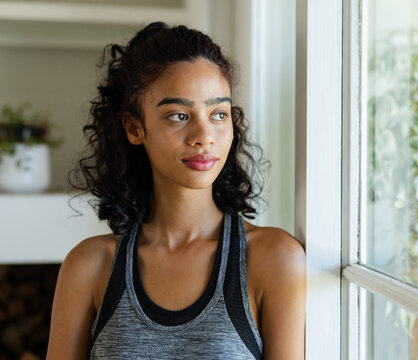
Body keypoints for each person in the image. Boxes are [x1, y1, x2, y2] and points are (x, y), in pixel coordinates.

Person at [46, 22, 306, 359]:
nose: (204, 135)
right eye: (179, 115)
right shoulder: (89, 265)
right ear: (134, 127)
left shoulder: (274, 258)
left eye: (219, 113)